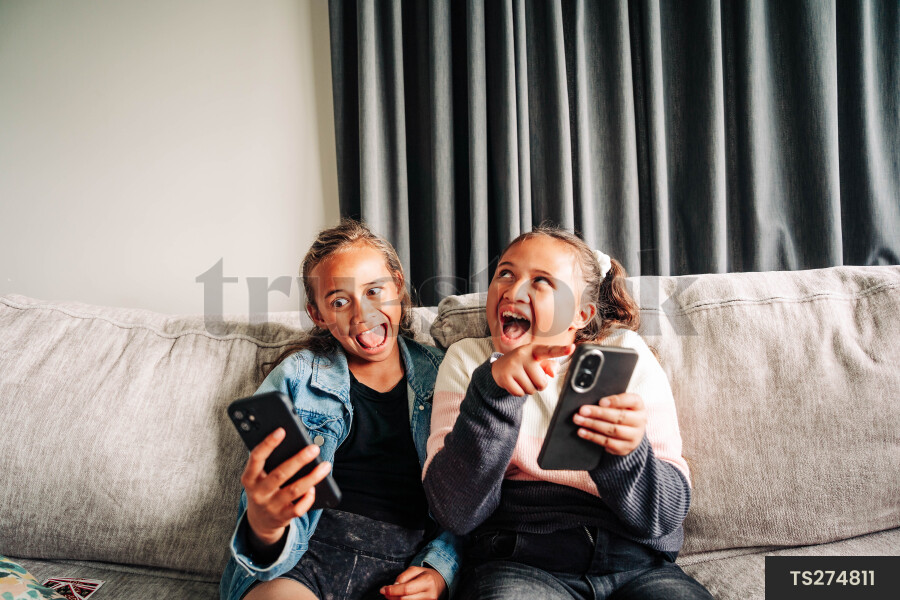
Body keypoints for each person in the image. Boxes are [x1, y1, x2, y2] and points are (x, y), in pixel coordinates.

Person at [422, 226, 712, 599]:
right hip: (521, 563)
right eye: (505, 273)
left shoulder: (625, 354)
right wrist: (494, 394)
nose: (513, 290)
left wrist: (625, 454)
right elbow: (455, 511)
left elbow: (663, 516)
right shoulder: (468, 361)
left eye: (541, 281)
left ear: (581, 314)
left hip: (635, 562)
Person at [221, 220, 460, 600]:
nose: (361, 313)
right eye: (339, 301)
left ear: (397, 287)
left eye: (374, 290)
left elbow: (469, 496)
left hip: (403, 568)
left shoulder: (447, 373)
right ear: (318, 315)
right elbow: (271, 497)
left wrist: (439, 570)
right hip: (303, 559)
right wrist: (265, 528)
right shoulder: (297, 376)